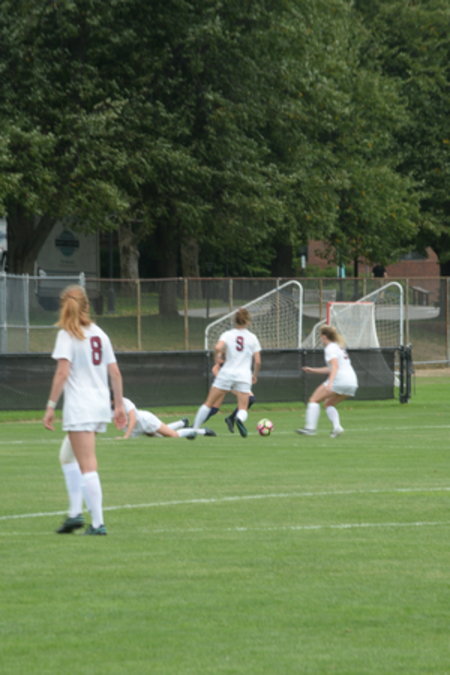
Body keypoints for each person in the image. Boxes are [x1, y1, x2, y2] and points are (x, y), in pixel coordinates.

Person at [43, 284, 126, 536]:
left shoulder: (67, 334)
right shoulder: (99, 333)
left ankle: (98, 523)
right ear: (87, 306)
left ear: (63, 306)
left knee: (87, 464)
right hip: (98, 405)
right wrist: (119, 405)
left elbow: (62, 373)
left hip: (80, 406)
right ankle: (74, 514)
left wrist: (50, 406)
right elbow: (115, 372)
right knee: (67, 456)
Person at [193, 307, 261, 437]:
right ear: (248, 321)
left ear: (234, 320)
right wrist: (254, 375)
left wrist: (217, 357)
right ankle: (239, 419)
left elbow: (217, 347)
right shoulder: (252, 338)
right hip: (243, 375)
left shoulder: (228, 334)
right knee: (243, 407)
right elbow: (257, 361)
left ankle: (194, 430)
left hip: (226, 374)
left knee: (208, 404)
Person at [297, 324, 358, 438]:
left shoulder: (330, 348)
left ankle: (310, 429)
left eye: (320, 336)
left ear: (324, 337)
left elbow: (335, 366)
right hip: (352, 382)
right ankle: (337, 427)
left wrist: (330, 382)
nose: (321, 339)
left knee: (314, 400)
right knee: (328, 404)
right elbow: (331, 367)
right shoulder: (339, 347)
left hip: (339, 380)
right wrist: (312, 370)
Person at [116, 396, 216, 439]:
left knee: (173, 435)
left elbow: (133, 418)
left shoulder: (124, 402)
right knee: (161, 435)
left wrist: (126, 436)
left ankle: (202, 431)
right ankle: (182, 423)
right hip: (139, 427)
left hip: (146, 421)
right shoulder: (111, 406)